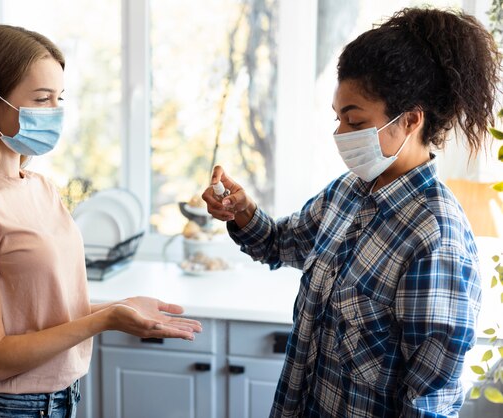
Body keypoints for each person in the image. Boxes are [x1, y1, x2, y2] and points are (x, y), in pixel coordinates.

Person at [203, 7, 499, 418]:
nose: (340, 134)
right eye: (338, 117)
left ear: (410, 119)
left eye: (354, 119)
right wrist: (241, 210)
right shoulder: (348, 191)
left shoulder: (437, 241)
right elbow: (281, 244)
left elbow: (427, 405)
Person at [0, 24, 201, 418]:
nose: (55, 113)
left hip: (66, 401)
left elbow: (49, 314)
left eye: (59, 98)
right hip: (9, 409)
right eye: (41, 99)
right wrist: (105, 321)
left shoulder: (41, 188)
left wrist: (120, 306)